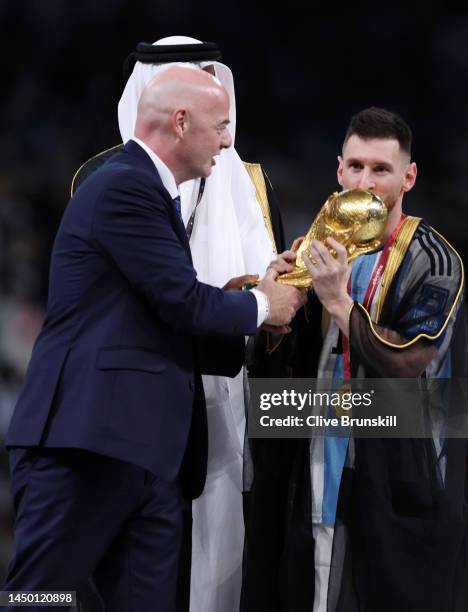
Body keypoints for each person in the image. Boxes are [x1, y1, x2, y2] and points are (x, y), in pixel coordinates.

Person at [3, 67, 305, 612]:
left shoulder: (150, 195)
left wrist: (250, 300)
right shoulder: (123, 185)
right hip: (85, 444)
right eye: (221, 125)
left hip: (148, 456)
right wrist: (262, 305)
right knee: (41, 598)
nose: (229, 140)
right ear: (181, 122)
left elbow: (160, 316)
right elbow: (180, 300)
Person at [71, 35, 287, 612]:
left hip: (205, 411)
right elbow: (169, 298)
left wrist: (273, 292)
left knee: (173, 572)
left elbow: (257, 280)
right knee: (54, 586)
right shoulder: (110, 178)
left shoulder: (247, 181)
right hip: (120, 413)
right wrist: (257, 305)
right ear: (174, 110)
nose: (226, 135)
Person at [242, 107, 468, 611]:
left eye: (380, 169)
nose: (365, 181)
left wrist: (337, 302)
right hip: (315, 468)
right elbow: (275, 360)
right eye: (355, 166)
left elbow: (408, 362)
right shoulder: (318, 248)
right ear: (338, 171)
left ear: (408, 177)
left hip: (400, 478)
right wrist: (276, 300)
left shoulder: (435, 259)